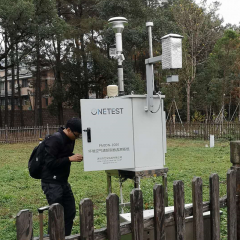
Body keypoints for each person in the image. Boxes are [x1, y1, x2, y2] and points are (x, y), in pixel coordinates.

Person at [41, 117, 83, 236]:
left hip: (63, 181)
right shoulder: (54, 140)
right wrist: (70, 159)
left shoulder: (70, 139)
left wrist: (74, 156)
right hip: (51, 182)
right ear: (69, 130)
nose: (77, 138)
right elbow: (50, 163)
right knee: (56, 213)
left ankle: (66, 236)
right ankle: (53, 236)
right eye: (76, 135)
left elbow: (64, 155)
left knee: (70, 211)